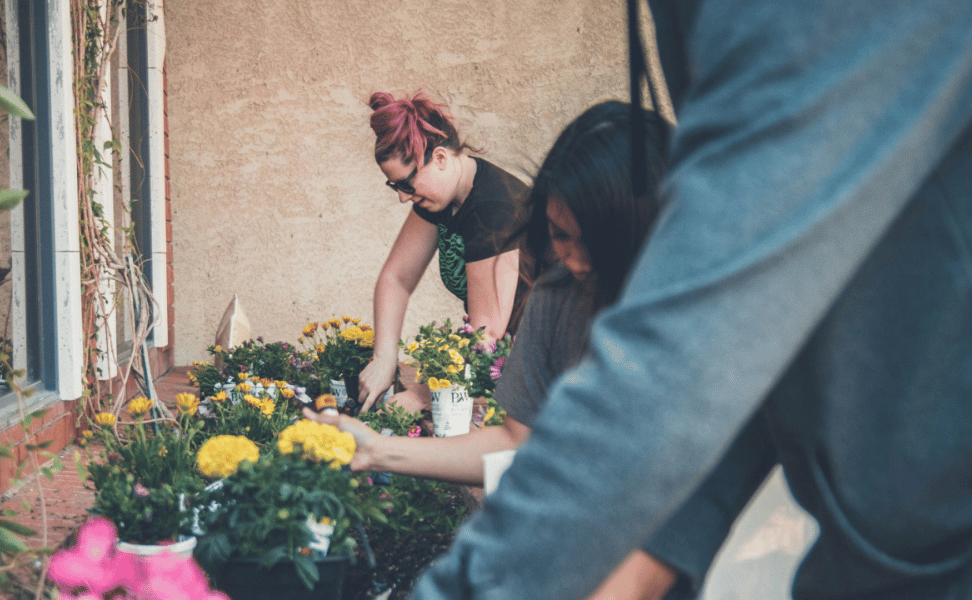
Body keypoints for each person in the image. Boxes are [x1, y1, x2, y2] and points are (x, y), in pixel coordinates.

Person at [410, 0, 972, 599]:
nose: (571, 262)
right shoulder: (557, 296)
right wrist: (654, 562)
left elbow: (690, 348)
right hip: (873, 556)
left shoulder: (812, 22)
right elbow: (747, 353)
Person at [312, 101, 742, 599]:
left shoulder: (706, 313)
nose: (574, 261)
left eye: (594, 242)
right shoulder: (557, 296)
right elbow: (517, 440)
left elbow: (701, 494)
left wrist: (428, 396)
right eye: (559, 237)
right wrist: (377, 450)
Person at [358, 91, 532, 413]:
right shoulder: (442, 196)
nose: (403, 198)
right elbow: (396, 278)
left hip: (549, 363)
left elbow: (486, 335)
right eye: (395, 186)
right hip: (506, 363)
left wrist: (421, 396)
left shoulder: (493, 208)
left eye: (406, 184)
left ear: (439, 158)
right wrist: (384, 358)